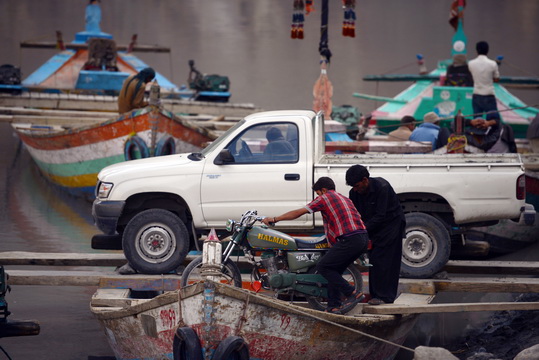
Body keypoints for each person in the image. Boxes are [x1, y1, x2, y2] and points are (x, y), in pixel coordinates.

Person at [262, 177, 368, 313]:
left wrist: (275, 219)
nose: (318, 196)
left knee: (324, 267)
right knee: (334, 271)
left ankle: (351, 293)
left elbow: (299, 212)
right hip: (362, 238)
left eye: (318, 193)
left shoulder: (325, 198)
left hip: (350, 239)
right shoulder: (344, 198)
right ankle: (334, 306)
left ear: (323, 190)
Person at [345, 165, 405, 306]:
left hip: (391, 225)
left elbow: (380, 216)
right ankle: (376, 295)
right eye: (353, 186)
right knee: (375, 261)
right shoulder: (354, 193)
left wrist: (362, 229)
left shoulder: (382, 187)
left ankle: (386, 297)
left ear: (365, 180)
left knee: (387, 261)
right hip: (373, 226)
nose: (355, 189)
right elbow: (355, 215)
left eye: (357, 185)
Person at [466, 41, 501, 151]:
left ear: (476, 50)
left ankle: (477, 145)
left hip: (476, 95)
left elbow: (472, 77)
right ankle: (493, 144)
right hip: (489, 95)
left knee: (477, 122)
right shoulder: (493, 64)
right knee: (494, 121)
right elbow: (496, 79)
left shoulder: (471, 63)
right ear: (488, 50)